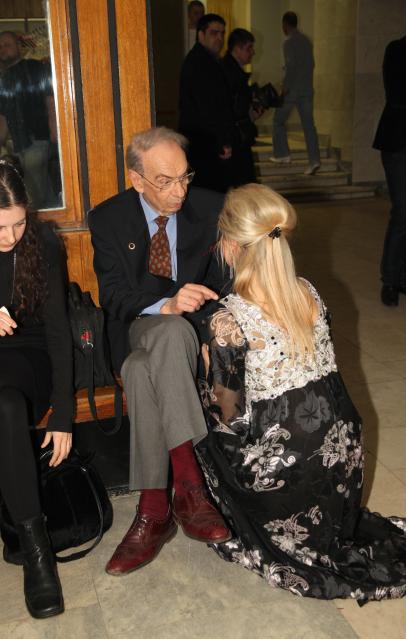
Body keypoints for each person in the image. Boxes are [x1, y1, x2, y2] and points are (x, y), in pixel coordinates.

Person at [196, 182, 406, 604]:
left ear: (229, 245)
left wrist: (207, 369)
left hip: (290, 467)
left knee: (198, 427)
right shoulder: (309, 291)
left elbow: (230, 419)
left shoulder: (227, 320)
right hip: (344, 450)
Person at [88, 127, 231, 577]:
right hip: (133, 326)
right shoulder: (108, 218)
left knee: (140, 370)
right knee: (158, 338)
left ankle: (154, 509)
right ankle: (189, 486)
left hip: (187, 334)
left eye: (185, 177)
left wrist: (208, 333)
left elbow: (227, 286)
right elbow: (112, 295)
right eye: (165, 182)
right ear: (137, 179)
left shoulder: (211, 208)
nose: (179, 192)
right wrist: (165, 304)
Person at [0, 160, 73, 618]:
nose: (10, 237)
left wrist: (63, 414)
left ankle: (35, 547)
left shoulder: (42, 242)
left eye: (18, 223)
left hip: (30, 357)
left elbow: (58, 332)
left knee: (7, 406)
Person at [373, 0, 406, 307]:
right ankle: (390, 281)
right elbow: (398, 95)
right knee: (404, 212)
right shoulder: (398, 49)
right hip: (401, 145)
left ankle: (401, 276)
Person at [0, 31, 59, 209]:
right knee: (41, 188)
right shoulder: (4, 78)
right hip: (20, 143)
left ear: (19, 47)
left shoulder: (34, 67)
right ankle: (52, 219)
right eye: (0, 47)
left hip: (38, 137)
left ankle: (41, 221)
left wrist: (54, 128)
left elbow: (50, 98)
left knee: (33, 191)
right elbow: (4, 115)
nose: (3, 49)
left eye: (7, 45)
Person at [179, 13, 236, 193]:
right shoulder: (199, 63)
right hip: (204, 145)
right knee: (210, 196)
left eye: (222, 33)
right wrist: (221, 142)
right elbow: (206, 108)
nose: (219, 38)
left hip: (205, 143)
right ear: (201, 34)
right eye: (214, 33)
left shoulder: (208, 60)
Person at [270, 12, 321, 176]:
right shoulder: (306, 41)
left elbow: (291, 67)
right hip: (307, 89)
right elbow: (311, 64)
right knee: (308, 126)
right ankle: (314, 160)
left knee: (278, 121)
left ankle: (282, 154)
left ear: (285, 24)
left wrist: (285, 88)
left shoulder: (289, 42)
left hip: (292, 90)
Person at [221, 28, 263, 187]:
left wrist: (250, 114)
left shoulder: (231, 70)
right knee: (244, 186)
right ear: (237, 49)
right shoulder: (229, 73)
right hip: (235, 140)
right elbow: (229, 110)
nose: (253, 52)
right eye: (249, 48)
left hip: (237, 138)